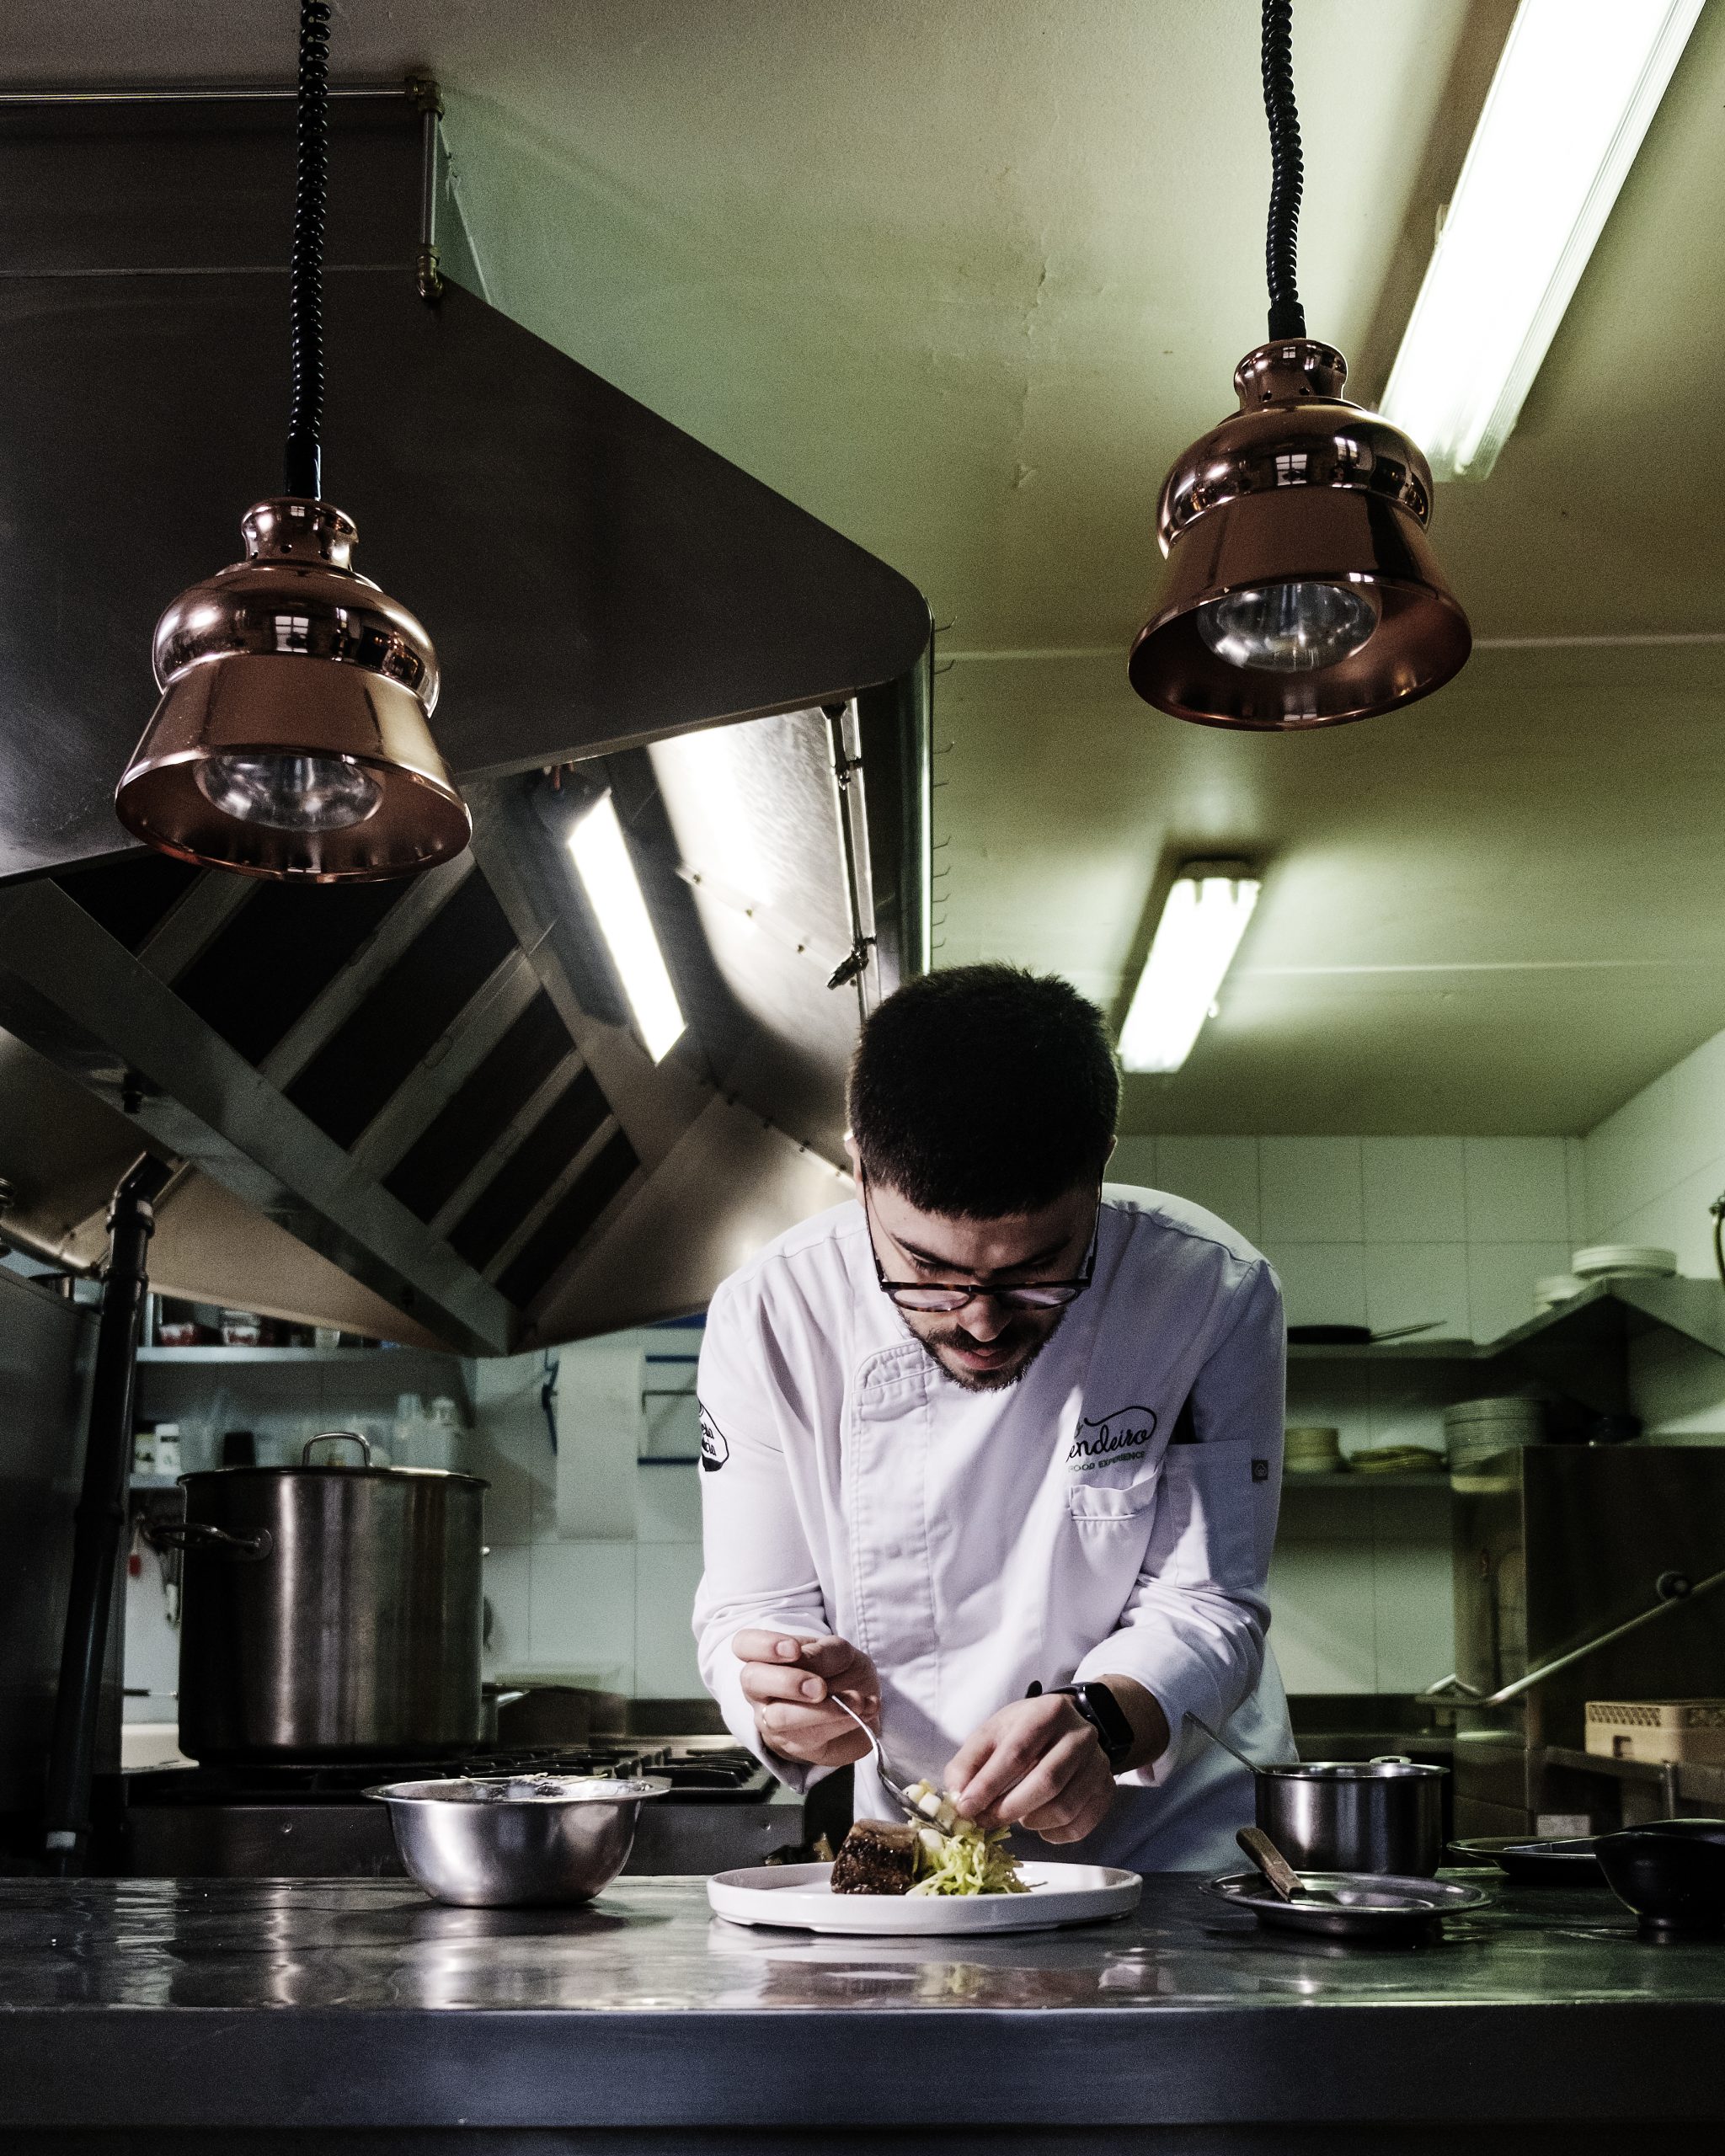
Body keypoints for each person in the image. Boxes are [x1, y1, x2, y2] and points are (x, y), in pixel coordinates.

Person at [692, 963, 1291, 1872]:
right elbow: (751, 1603)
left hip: (1176, 1845)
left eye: (1034, 1271)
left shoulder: (1208, 1289)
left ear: (1100, 1166)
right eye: (925, 1270)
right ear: (860, 1170)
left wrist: (1103, 1720)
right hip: (922, 1845)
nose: (979, 1320)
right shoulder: (771, 1313)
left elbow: (1210, 1599)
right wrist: (783, 1700)